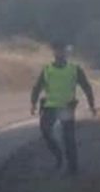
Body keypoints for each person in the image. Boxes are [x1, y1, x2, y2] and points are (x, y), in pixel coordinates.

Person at [30, 41, 96, 174]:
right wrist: (33, 104)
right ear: (54, 53)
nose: (60, 54)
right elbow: (37, 87)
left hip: (67, 107)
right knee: (46, 133)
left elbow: (86, 87)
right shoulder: (47, 69)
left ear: (67, 53)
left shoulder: (75, 69)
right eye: (58, 51)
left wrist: (91, 105)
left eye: (63, 51)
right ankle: (59, 156)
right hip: (50, 107)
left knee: (68, 138)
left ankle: (72, 169)